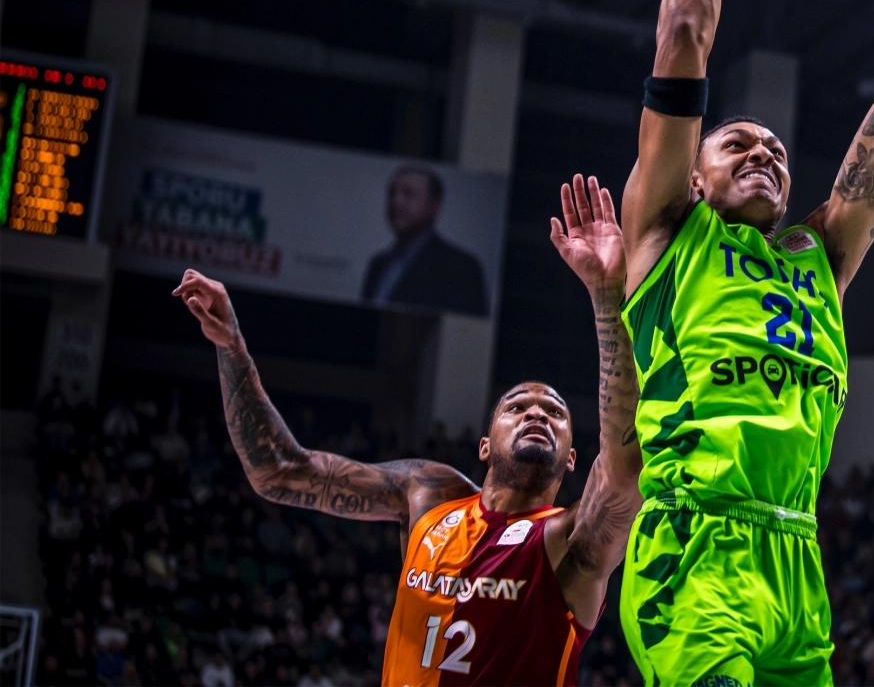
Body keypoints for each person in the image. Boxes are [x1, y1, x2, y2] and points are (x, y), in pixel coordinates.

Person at [616, 0, 874, 685]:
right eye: (738, 144)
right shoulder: (668, 231)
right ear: (693, 177)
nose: (764, 154)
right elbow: (684, 37)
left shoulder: (818, 255)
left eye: (778, 152)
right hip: (694, 545)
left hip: (796, 564)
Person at [175, 174, 638, 686]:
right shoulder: (429, 496)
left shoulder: (571, 541)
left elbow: (624, 464)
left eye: (555, 412)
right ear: (484, 446)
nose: (537, 414)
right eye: (516, 406)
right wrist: (232, 347)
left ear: (572, 457)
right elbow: (278, 471)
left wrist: (606, 293)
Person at [362, 165, 488, 315]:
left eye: (408, 193)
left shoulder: (462, 269)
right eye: (391, 192)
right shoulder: (377, 263)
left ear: (434, 206)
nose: (395, 201)